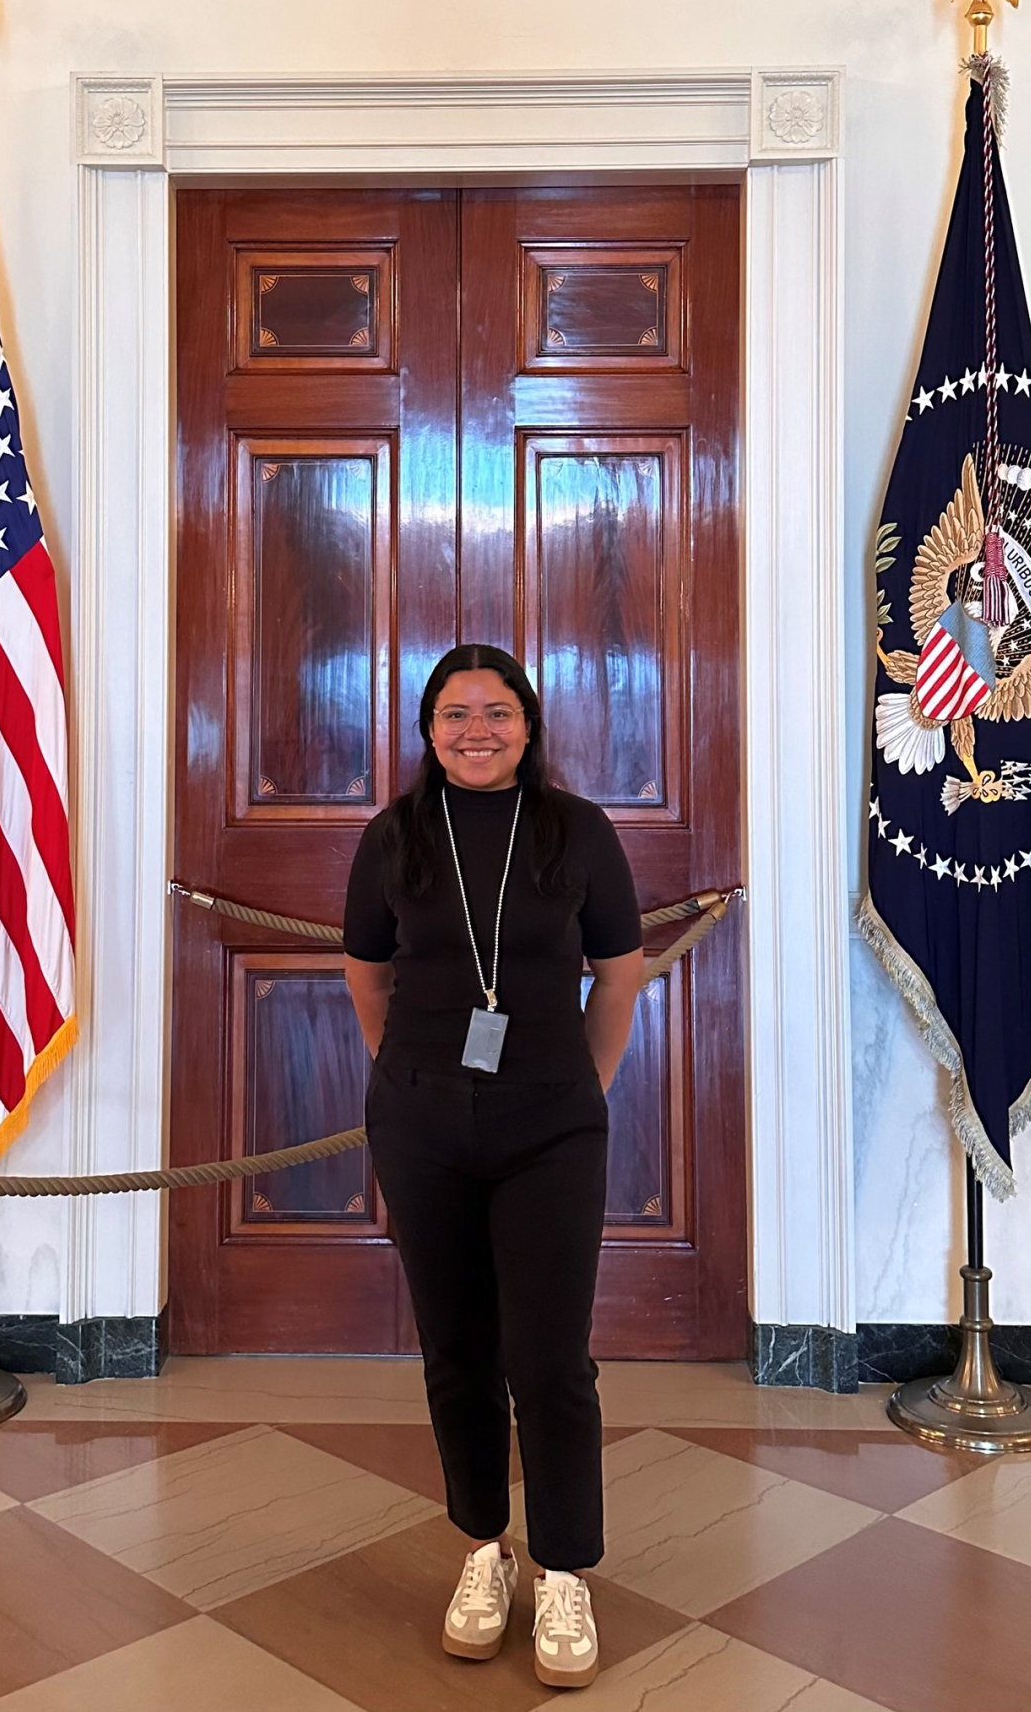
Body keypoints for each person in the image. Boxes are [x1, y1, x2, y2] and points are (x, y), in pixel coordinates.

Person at [343, 644, 644, 1690]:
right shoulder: (394, 836)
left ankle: (565, 1568)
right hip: (422, 1123)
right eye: (456, 713)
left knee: (551, 1362)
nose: (478, 730)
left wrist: (583, 1083)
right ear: (427, 728)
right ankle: (485, 1550)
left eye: (498, 712)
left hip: (551, 1126)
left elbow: (622, 970)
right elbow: (365, 969)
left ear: (530, 725)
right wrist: (408, 1075)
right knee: (457, 1352)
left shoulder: (578, 832)